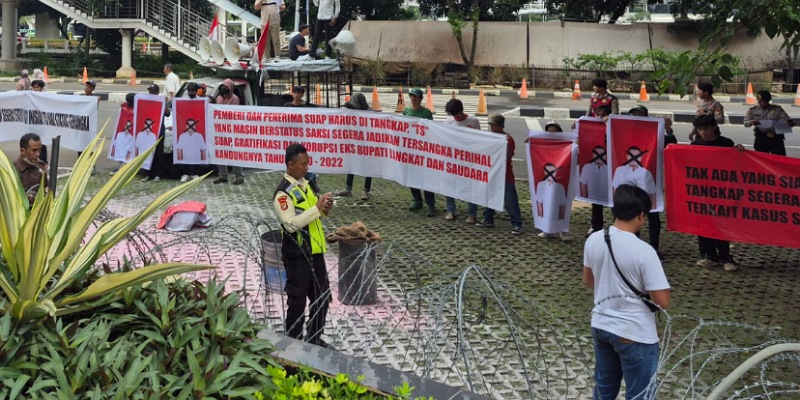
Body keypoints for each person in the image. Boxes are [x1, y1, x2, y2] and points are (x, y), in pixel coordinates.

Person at [583, 184, 671, 400]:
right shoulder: (644, 251)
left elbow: (588, 280)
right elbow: (662, 300)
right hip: (634, 332)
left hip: (602, 324)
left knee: (604, 390)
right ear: (641, 216)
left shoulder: (594, 239)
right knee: (640, 394)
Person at [273, 143, 334, 348]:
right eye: (303, 164)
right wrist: (316, 209)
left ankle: (314, 339)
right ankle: (292, 343)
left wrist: (324, 207)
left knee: (322, 298)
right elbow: (290, 225)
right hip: (297, 255)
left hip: (315, 252)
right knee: (297, 303)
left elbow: (313, 214)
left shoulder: (306, 185)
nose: (307, 167)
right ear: (290, 165)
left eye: (308, 163)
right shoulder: (283, 193)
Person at [692, 115, 744, 271]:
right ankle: (709, 256)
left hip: (721, 193)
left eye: (707, 128)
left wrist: (739, 151)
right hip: (702, 191)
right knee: (703, 224)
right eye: (700, 129)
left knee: (720, 224)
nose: (704, 132)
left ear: (714, 127)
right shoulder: (695, 145)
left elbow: (737, 164)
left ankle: (726, 258)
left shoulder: (726, 143)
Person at [628, 105, 675, 258]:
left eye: (639, 115)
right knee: (634, 212)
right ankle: (634, 243)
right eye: (633, 115)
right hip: (631, 180)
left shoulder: (655, 131)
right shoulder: (626, 131)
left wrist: (668, 130)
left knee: (653, 213)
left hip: (651, 179)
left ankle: (654, 245)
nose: (636, 118)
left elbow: (670, 144)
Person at [468, 114, 523, 235]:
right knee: (490, 197)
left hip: (504, 175)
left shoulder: (507, 139)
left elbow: (507, 156)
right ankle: (488, 218)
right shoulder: (492, 138)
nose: (491, 128)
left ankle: (517, 223)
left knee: (510, 200)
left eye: (492, 125)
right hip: (492, 173)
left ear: (498, 125)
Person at [443, 98, 481, 223]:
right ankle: (450, 210)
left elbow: (480, 140)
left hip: (469, 161)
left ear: (461, 111)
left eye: (457, 114)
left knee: (471, 187)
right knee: (449, 185)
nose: (456, 117)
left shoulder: (473, 121)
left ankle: (472, 213)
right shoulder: (448, 122)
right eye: (453, 115)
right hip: (453, 160)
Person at [403, 87, 436, 217]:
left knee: (426, 179)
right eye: (411, 96)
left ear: (420, 98)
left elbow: (431, 130)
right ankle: (417, 200)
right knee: (412, 177)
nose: (413, 98)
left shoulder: (426, 113)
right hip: (410, 150)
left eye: (415, 96)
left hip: (423, 150)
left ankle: (430, 204)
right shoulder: (406, 111)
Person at [335, 92, 373, 200]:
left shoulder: (370, 113)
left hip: (366, 143)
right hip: (354, 143)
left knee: (368, 168)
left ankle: (366, 191)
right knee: (351, 165)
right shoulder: (352, 111)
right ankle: (348, 189)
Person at [212, 79, 245, 185]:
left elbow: (233, 114)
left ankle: (239, 176)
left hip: (233, 130)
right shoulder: (219, 98)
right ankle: (222, 175)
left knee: (235, 153)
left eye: (226, 93)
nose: (225, 95)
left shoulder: (235, 99)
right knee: (220, 153)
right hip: (220, 130)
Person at [587, 105, 613, 236]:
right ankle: (596, 226)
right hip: (597, 171)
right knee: (597, 200)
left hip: (611, 170)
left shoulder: (614, 129)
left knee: (615, 200)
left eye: (603, 114)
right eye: (597, 114)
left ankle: (617, 228)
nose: (599, 117)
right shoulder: (591, 130)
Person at [744, 90, 795, 156]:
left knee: (779, 159)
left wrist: (789, 123)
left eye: (764, 101)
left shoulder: (777, 109)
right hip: (761, 138)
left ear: (768, 100)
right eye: (760, 101)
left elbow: (786, 119)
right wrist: (752, 122)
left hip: (776, 138)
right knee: (762, 159)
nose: (762, 103)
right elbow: (745, 123)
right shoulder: (753, 110)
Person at [141, 84, 169, 182]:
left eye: (153, 91)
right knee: (149, 153)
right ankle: (149, 174)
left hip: (159, 131)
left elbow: (167, 113)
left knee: (159, 154)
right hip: (148, 132)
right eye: (150, 91)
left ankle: (158, 174)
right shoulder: (146, 102)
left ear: (157, 92)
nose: (151, 93)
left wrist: (164, 103)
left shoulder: (161, 101)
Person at [14, 133, 49, 205]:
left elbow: (46, 187)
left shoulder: (41, 166)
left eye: (39, 150)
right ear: (22, 151)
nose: (38, 154)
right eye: (34, 150)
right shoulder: (12, 170)